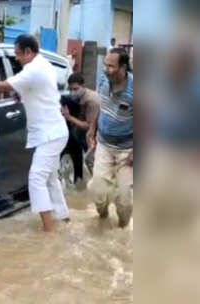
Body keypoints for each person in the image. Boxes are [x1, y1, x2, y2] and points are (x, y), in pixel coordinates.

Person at [0, 35, 69, 232]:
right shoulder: (43, 65)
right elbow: (27, 89)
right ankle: (63, 219)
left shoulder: (35, 69)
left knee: (36, 179)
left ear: (28, 52)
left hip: (51, 134)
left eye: (17, 54)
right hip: (51, 132)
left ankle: (49, 230)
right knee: (50, 178)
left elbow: (5, 85)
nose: (16, 58)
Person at [86, 48, 133, 228]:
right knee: (97, 189)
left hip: (127, 150)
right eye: (105, 65)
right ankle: (103, 218)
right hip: (104, 144)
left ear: (123, 67)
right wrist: (92, 127)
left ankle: (122, 229)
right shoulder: (104, 81)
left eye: (111, 66)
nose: (106, 69)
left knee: (125, 199)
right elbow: (102, 106)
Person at [61, 73, 101, 176]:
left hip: (96, 135)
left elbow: (89, 126)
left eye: (75, 89)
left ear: (83, 86)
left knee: (93, 162)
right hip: (84, 134)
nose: (72, 92)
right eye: (70, 89)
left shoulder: (91, 101)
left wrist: (69, 117)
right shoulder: (78, 97)